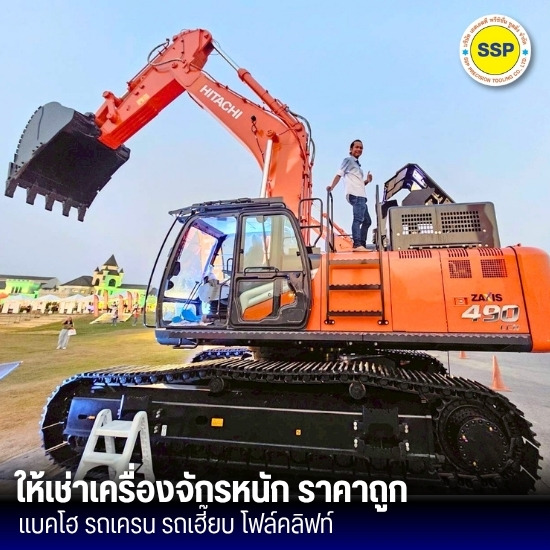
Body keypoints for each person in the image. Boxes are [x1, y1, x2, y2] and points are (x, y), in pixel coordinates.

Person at [327, 139, 373, 251]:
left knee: (367, 221)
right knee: (358, 219)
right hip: (356, 195)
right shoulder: (348, 160)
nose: (359, 149)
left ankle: (361, 244)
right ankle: (357, 244)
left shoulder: (358, 166)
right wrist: (332, 186)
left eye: (361, 148)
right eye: (356, 147)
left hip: (361, 195)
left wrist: (367, 181)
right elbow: (339, 174)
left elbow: (359, 183)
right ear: (351, 149)